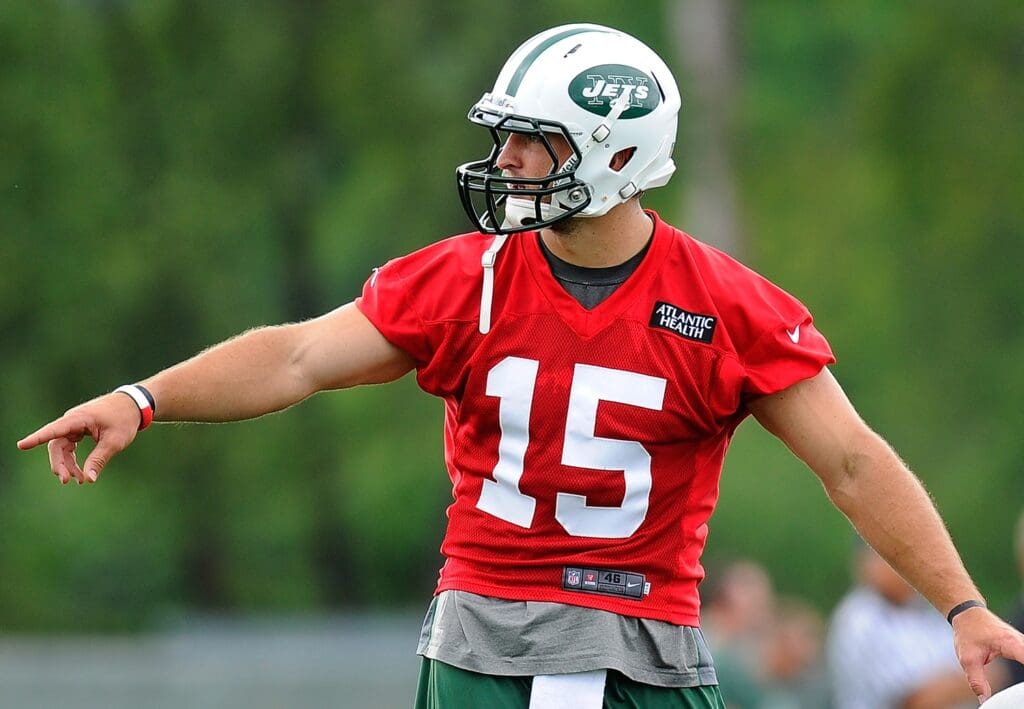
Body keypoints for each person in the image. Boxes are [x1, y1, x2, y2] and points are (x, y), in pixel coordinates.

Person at [16, 22, 1024, 709]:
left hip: (633, 651)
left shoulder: (724, 305)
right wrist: (142, 399)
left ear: (613, 153)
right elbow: (295, 357)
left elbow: (850, 460)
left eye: (532, 146)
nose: (505, 167)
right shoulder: (471, 279)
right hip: (490, 646)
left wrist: (961, 605)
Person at [827, 544, 977, 708]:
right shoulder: (859, 619)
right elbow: (915, 702)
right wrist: (967, 682)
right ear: (866, 564)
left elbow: (991, 674)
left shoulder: (926, 608)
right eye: (894, 558)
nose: (910, 565)